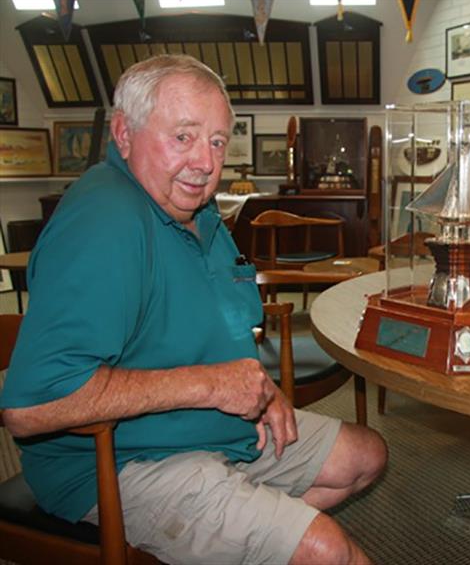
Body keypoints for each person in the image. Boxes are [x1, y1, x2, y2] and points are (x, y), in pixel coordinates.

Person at [0, 54, 387, 565]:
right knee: (327, 551)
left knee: (365, 456)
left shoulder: (196, 211)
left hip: (202, 425)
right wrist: (212, 384)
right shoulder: (104, 222)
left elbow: (219, 320)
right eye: (182, 137)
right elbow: (29, 409)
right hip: (117, 461)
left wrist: (255, 384)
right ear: (123, 133)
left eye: (217, 141)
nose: (205, 162)